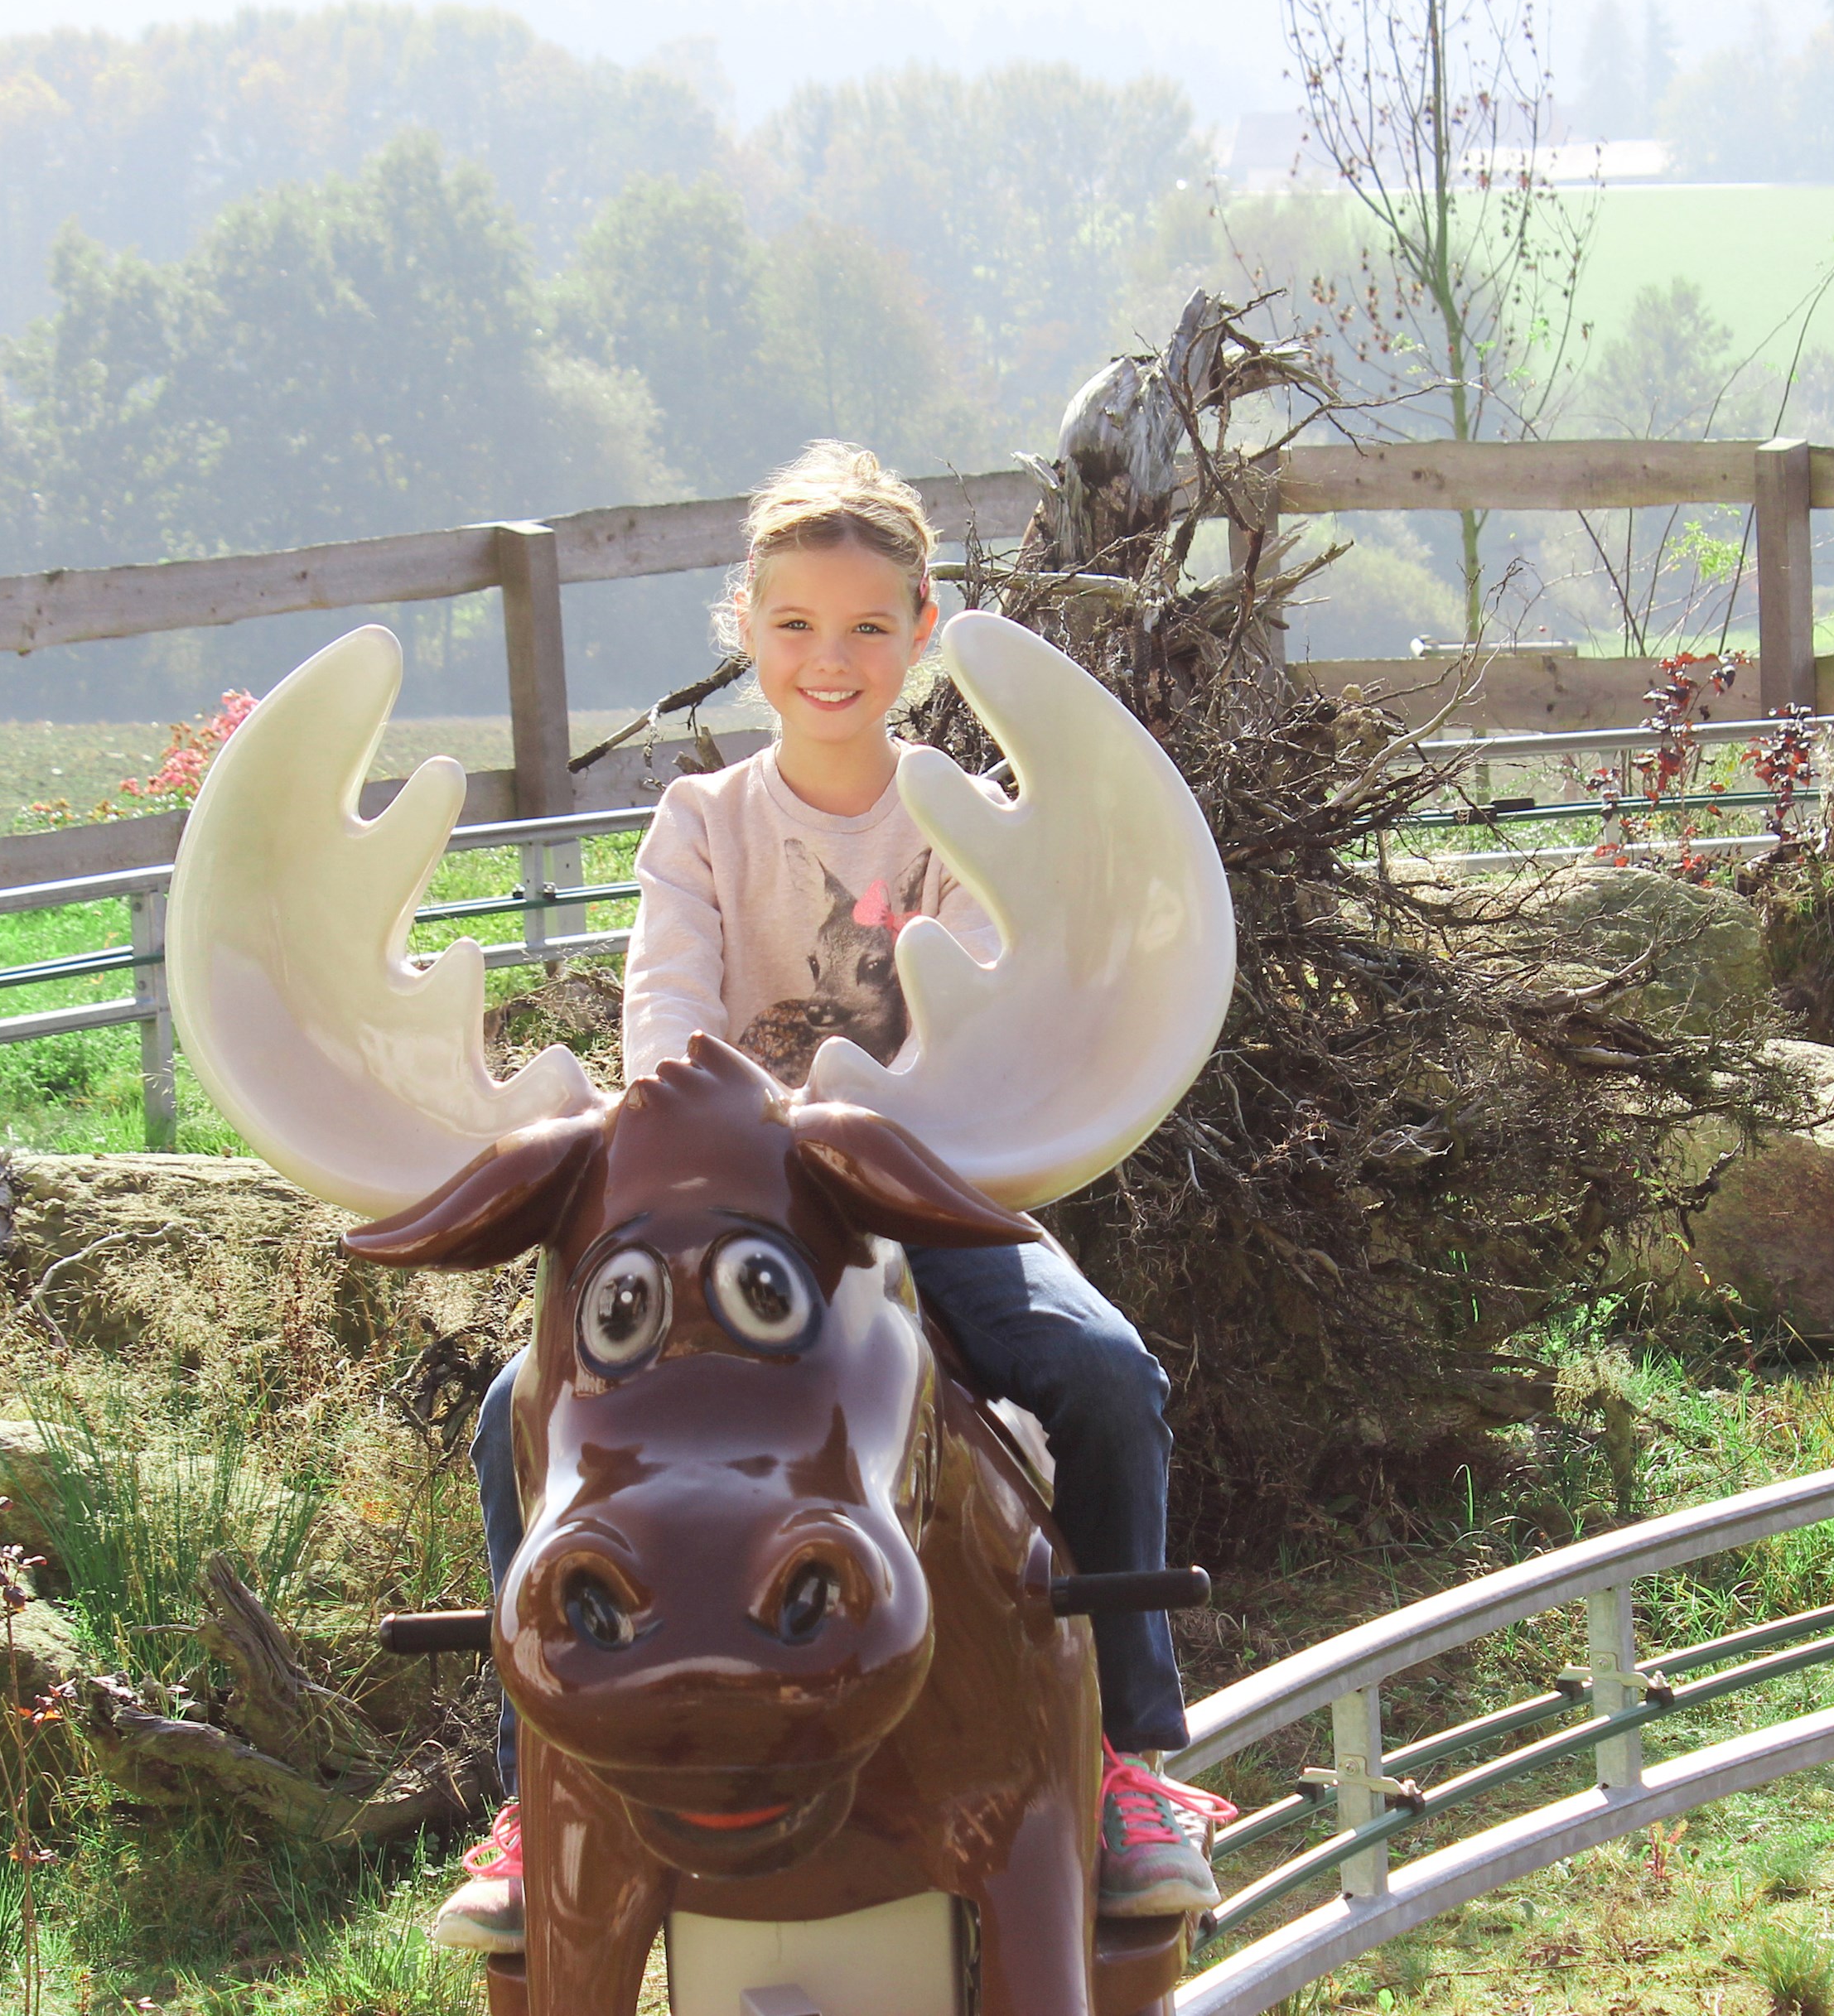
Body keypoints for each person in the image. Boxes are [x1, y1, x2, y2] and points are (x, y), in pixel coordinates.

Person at [429, 442, 1232, 1954]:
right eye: (796, 625)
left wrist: (865, 1129)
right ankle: (536, 1787)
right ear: (747, 629)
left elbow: (970, 1035)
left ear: (924, 631)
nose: (831, 660)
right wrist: (737, 1133)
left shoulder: (965, 825)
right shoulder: (704, 828)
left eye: (868, 627)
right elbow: (663, 1033)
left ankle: (1127, 1755)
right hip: (729, 1220)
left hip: (915, 1196)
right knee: (510, 1417)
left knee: (1106, 1375)